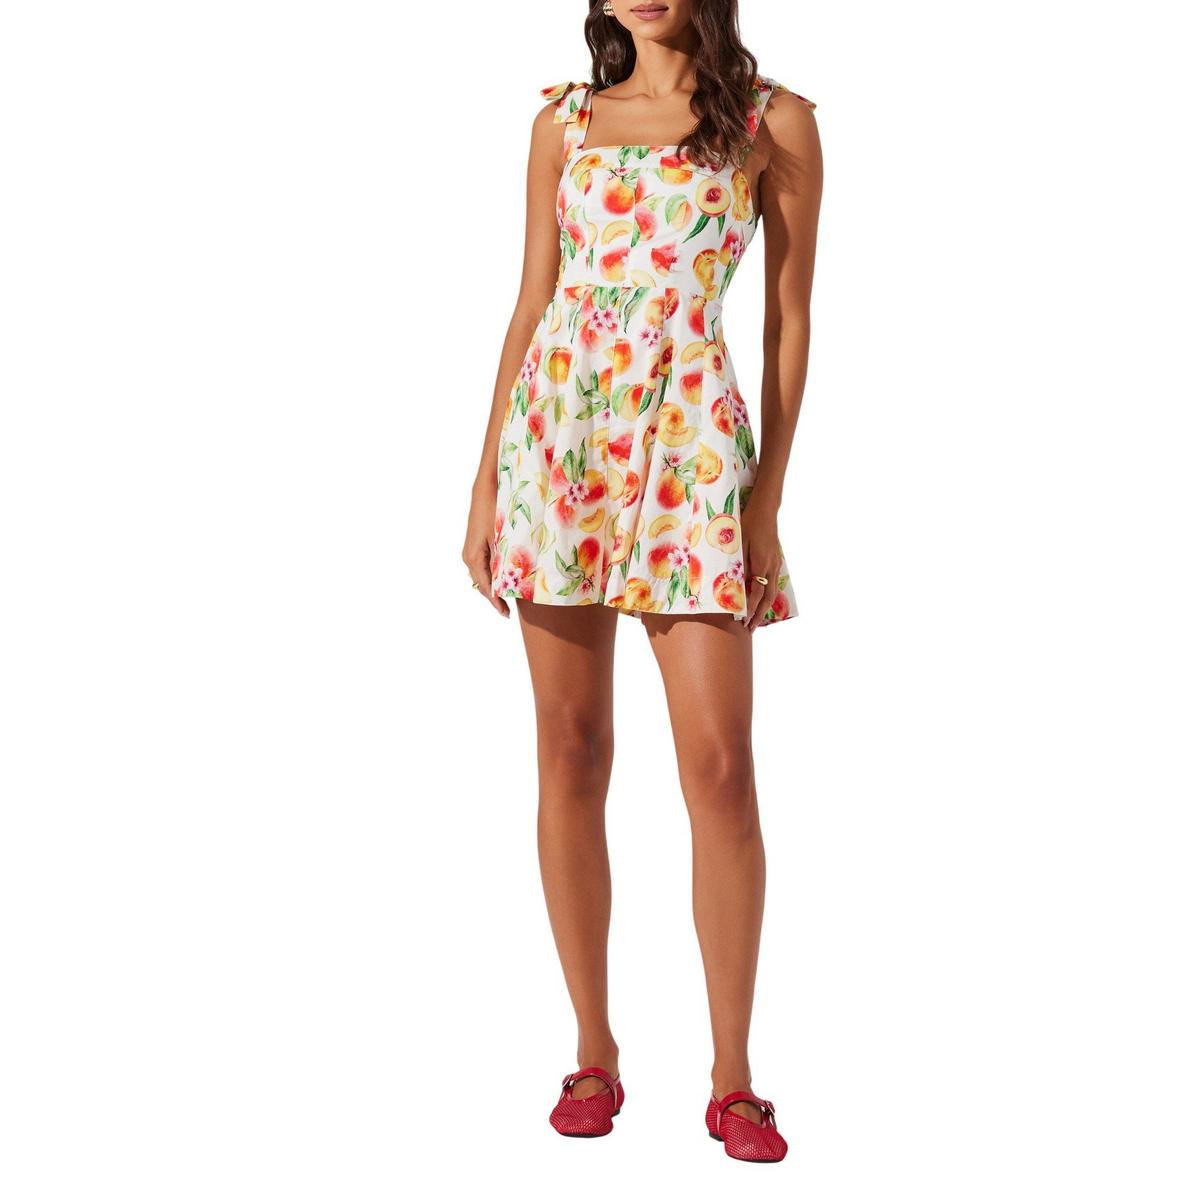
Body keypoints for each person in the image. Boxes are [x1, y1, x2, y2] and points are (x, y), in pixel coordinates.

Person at [462, 0, 821, 1164]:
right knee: (570, 752)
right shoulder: (561, 125)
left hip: (693, 451)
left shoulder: (774, 122)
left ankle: (733, 1076)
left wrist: (764, 501)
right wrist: (486, 484)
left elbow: (787, 322)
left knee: (720, 767)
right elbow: (533, 302)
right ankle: (592, 1048)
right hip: (560, 442)